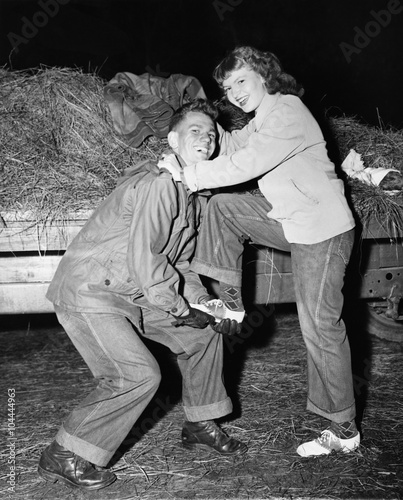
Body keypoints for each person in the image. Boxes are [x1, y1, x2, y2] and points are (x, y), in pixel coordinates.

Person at [158, 46, 360, 457]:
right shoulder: (263, 119)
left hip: (322, 229)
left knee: (319, 325)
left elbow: (246, 163)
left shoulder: (288, 111)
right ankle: (231, 303)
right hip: (295, 219)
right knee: (226, 207)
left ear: (265, 76)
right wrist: (200, 132)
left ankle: (344, 429)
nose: (234, 93)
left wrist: (188, 174)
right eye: (228, 87)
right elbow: (233, 146)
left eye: (241, 81)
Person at [38, 99, 247, 492]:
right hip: (93, 290)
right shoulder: (160, 184)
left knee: (204, 336)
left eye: (211, 134)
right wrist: (182, 309)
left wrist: (208, 306)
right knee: (135, 375)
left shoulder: (190, 196)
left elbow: (180, 265)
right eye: (195, 131)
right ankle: (64, 452)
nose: (205, 138)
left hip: (133, 291)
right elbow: (147, 261)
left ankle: (200, 422)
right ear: (173, 139)